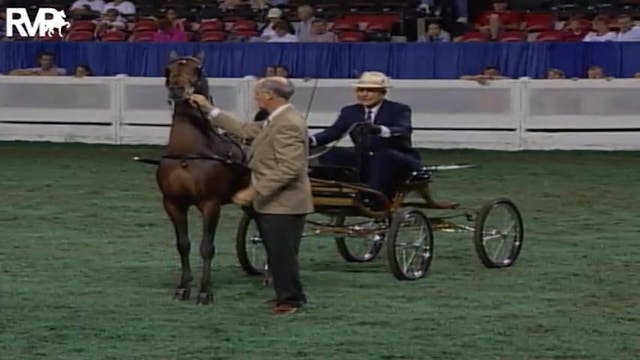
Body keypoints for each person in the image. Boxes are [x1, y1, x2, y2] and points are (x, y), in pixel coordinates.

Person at [189, 77, 312, 315]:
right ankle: (285, 296)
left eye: (258, 93)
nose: (255, 97)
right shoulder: (276, 120)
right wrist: (208, 108)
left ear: (269, 95)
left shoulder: (288, 123)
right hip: (274, 201)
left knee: (282, 254)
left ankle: (291, 300)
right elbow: (244, 130)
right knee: (277, 253)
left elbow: (290, 168)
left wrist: (255, 190)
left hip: (285, 202)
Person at [309, 71, 422, 206]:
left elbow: (403, 130)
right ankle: (328, 195)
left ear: (383, 92)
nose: (364, 94)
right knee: (330, 154)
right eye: (361, 90)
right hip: (364, 159)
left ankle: (374, 199)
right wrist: (310, 141)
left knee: (384, 156)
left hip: (398, 158)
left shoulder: (398, 109)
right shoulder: (350, 111)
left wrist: (379, 129)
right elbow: (333, 133)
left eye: (370, 90)